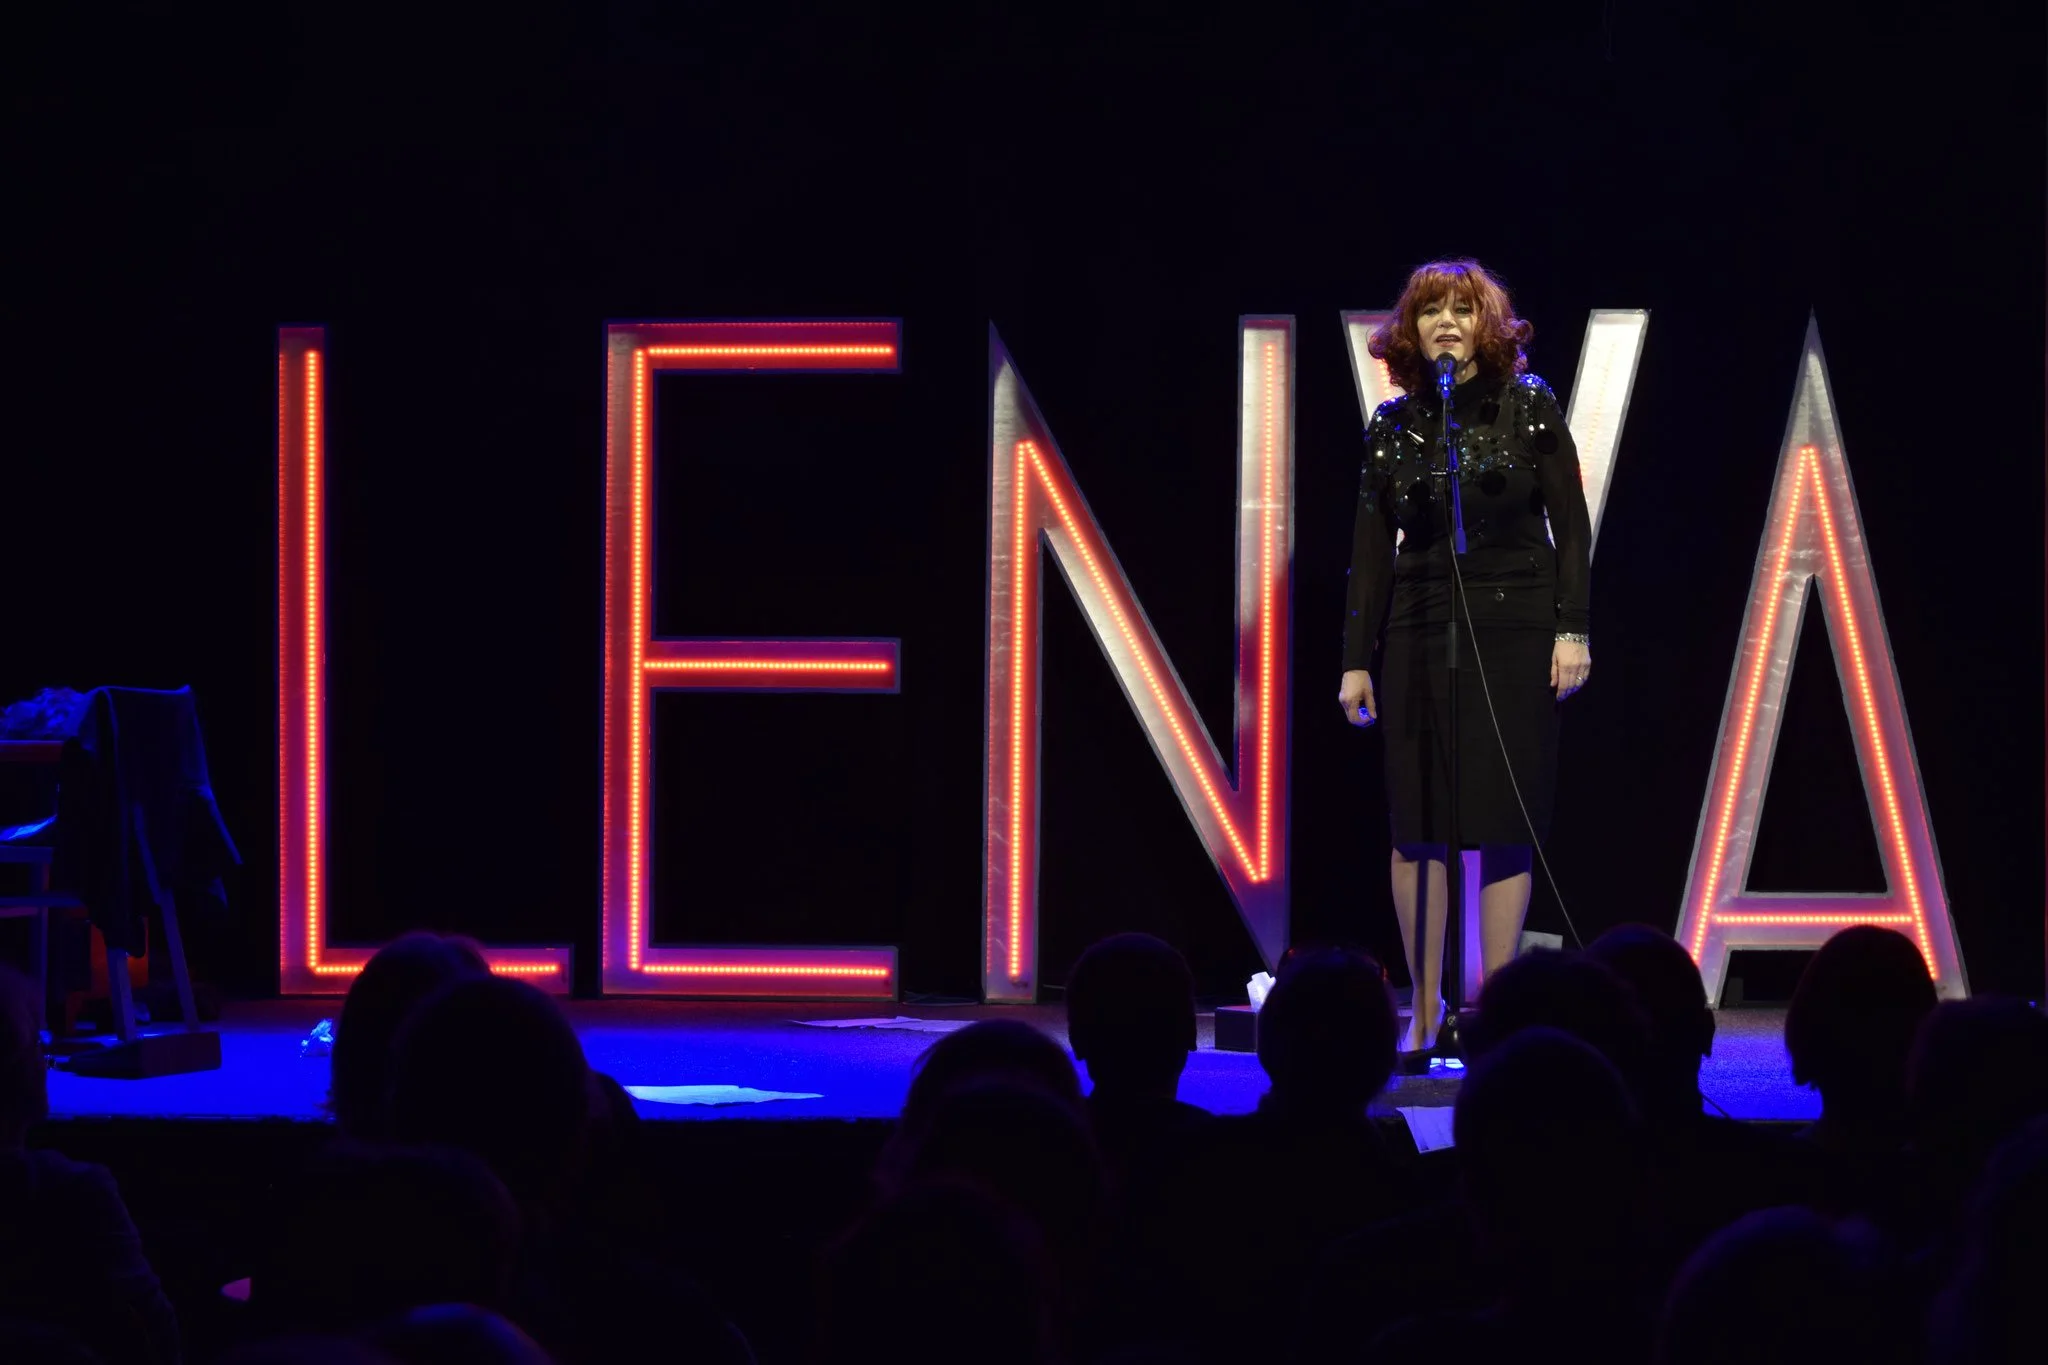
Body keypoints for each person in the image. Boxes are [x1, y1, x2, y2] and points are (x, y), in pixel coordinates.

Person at [1339, 258, 1593, 1060]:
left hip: (1517, 625)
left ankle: (1495, 1008)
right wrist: (1355, 659)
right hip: (1419, 627)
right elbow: (1371, 549)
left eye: (1460, 309)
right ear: (1410, 331)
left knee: (1503, 823)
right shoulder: (1393, 424)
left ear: (1486, 325)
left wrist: (1573, 629)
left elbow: (1571, 527)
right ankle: (1424, 1006)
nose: (1445, 322)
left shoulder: (1529, 403)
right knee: (1418, 825)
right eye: (1429, 312)